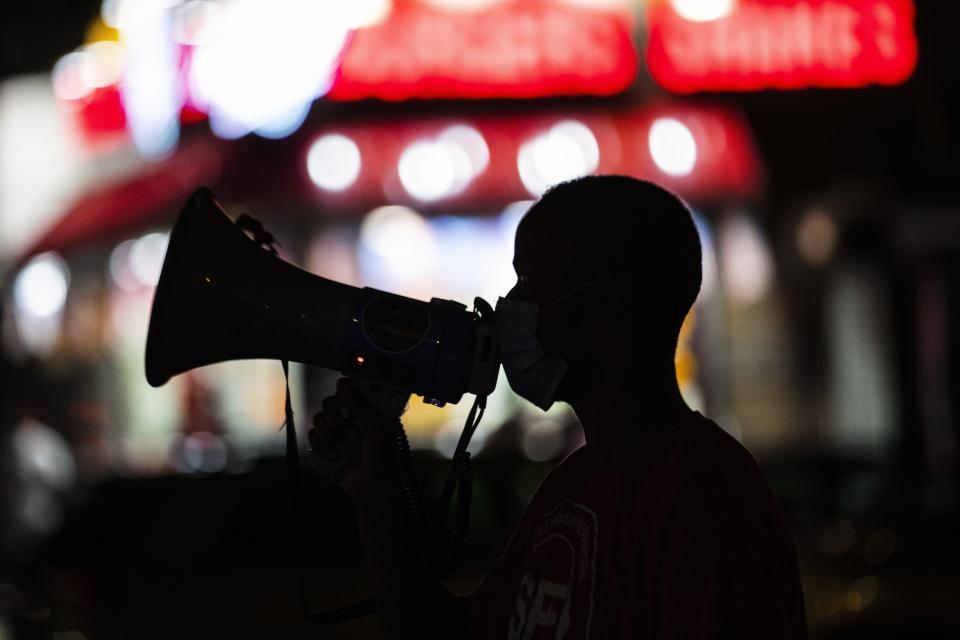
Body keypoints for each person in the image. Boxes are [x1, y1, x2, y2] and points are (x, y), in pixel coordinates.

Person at [310, 175, 807, 639]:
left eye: (529, 282)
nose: (509, 305)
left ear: (603, 302)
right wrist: (375, 497)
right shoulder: (574, 485)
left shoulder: (706, 497)